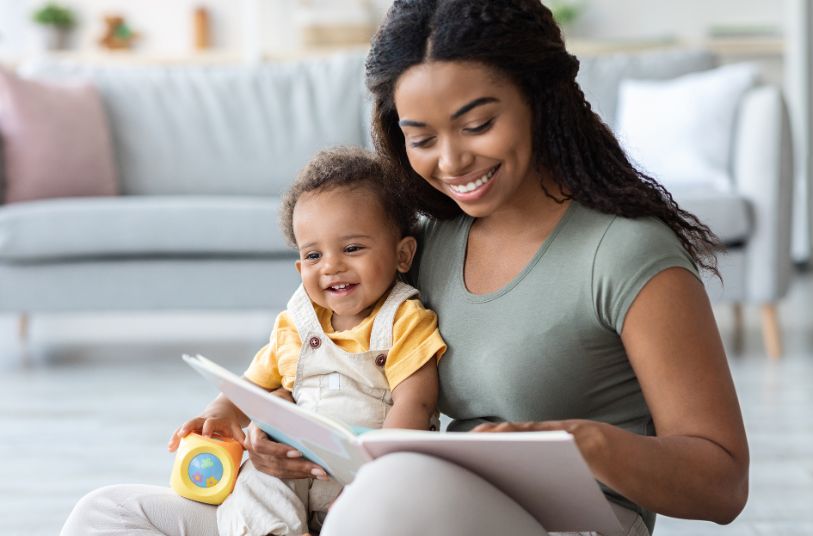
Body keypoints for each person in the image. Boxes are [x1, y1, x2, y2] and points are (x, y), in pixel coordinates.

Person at [315, 1, 749, 535]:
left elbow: (723, 484)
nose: (450, 162)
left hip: (575, 521)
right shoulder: (426, 244)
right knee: (185, 514)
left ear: (539, 99)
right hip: (437, 506)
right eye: (423, 139)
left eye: (477, 125)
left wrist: (578, 442)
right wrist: (297, 443)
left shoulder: (626, 253)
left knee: (384, 501)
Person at [60, 147, 446, 536]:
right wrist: (220, 415)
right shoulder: (296, 325)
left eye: (352, 248)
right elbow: (251, 388)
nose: (331, 266)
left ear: (402, 254)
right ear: (300, 267)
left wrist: (370, 477)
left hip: (367, 479)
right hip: (293, 479)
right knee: (254, 480)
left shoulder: (404, 319)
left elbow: (416, 402)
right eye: (313, 255)